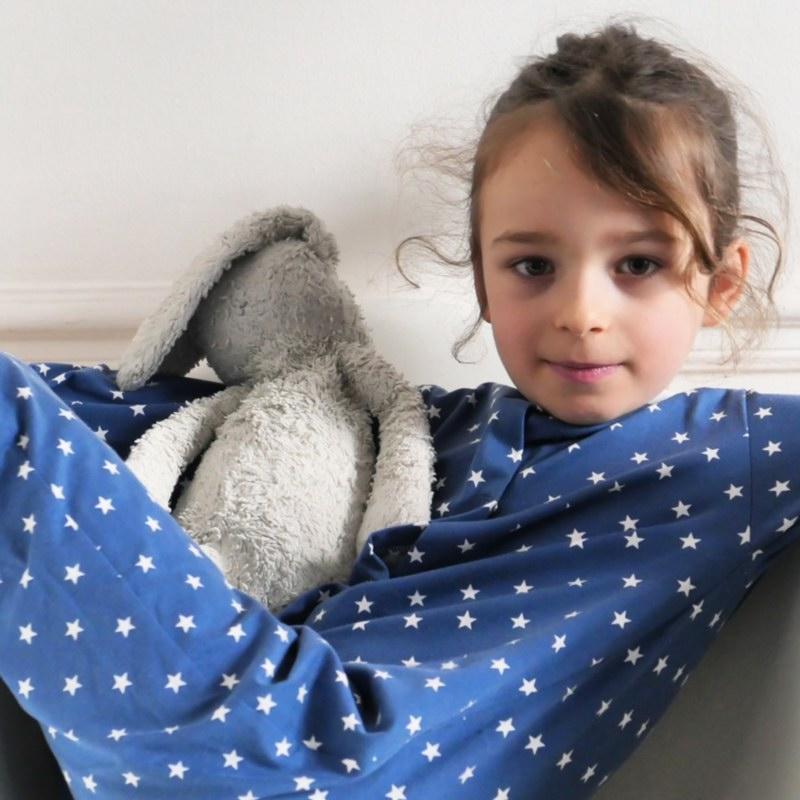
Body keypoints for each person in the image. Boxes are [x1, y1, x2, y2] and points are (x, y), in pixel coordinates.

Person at [0, 20, 795, 800]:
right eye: (532, 265)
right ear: (483, 280)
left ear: (721, 283)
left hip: (289, 750)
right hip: (233, 730)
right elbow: (185, 421)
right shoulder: (426, 426)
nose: (581, 312)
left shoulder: (737, 451)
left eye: (639, 264)